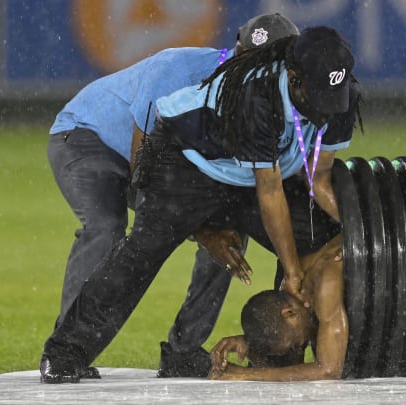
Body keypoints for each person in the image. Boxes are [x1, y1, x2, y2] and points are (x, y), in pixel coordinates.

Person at [40, 26, 362, 384]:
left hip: (242, 172)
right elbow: (269, 192)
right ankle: (65, 351)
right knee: (144, 250)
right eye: (316, 97)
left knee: (316, 235)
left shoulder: (342, 96)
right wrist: (291, 270)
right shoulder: (256, 95)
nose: (324, 111)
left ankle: (258, 352)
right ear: (293, 75)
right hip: (183, 160)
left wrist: (361, 233)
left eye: (332, 98)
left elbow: (318, 180)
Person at [208, 234, 347, 381]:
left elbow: (329, 370)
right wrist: (249, 346)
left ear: (289, 313)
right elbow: (291, 370)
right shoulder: (293, 305)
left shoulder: (326, 281)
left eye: (298, 345)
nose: (300, 350)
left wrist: (244, 374)